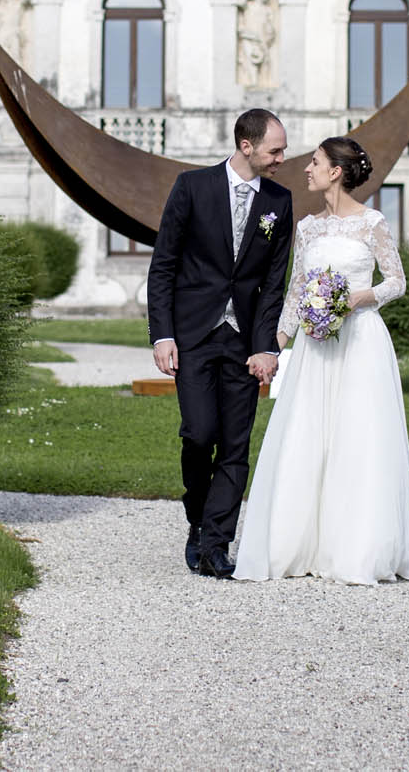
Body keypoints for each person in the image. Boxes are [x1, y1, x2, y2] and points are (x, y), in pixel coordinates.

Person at [233, 136, 409, 585]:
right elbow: (296, 290)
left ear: (335, 171)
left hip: (360, 342)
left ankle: (357, 549)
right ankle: (300, 546)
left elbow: (396, 282)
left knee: (358, 438)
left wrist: (355, 299)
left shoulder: (372, 223)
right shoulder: (308, 228)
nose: (306, 169)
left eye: (314, 162)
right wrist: (275, 344)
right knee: (307, 436)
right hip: (315, 347)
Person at [148, 109, 293, 578]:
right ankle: (197, 519)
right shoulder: (192, 187)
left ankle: (216, 543)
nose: (282, 158)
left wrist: (267, 346)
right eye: (275, 150)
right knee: (199, 434)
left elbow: (274, 283)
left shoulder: (279, 201)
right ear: (246, 146)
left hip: (246, 341)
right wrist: (163, 334)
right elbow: (164, 265)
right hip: (193, 335)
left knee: (235, 444)